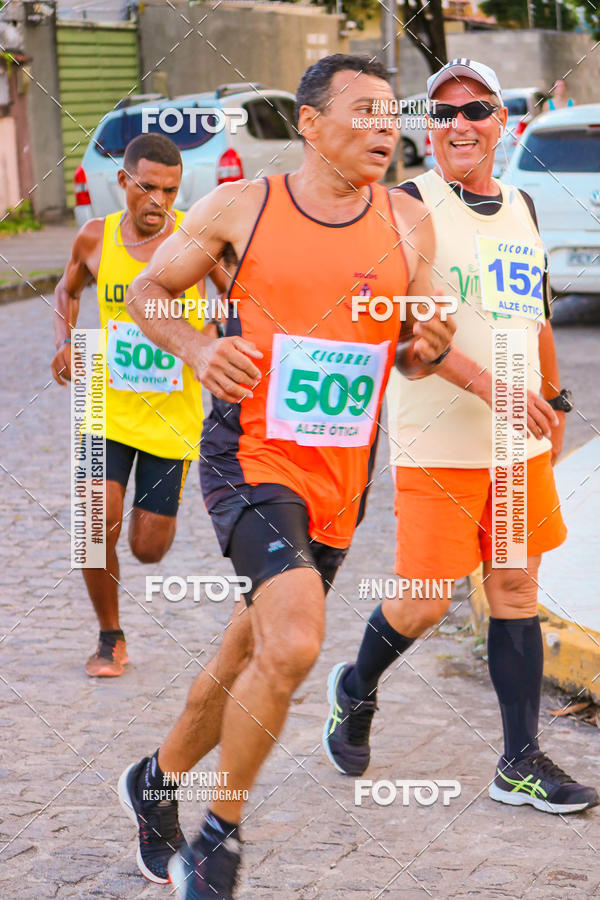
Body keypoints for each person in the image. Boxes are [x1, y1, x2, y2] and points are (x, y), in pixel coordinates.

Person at [117, 54, 455, 896]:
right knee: (298, 639)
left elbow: (415, 352)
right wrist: (198, 347)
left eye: (393, 115)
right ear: (310, 123)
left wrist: (427, 345)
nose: (387, 130)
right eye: (367, 112)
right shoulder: (242, 206)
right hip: (250, 459)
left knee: (251, 647)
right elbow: (150, 294)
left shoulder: (410, 222)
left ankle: (154, 780)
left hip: (340, 480)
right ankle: (218, 843)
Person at [324, 58, 598, 816]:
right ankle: (356, 686)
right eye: (444, 114)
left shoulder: (525, 207)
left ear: (499, 122)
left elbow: (535, 319)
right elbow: (400, 335)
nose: (462, 125)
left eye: (476, 110)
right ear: (428, 128)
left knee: (515, 590)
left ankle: (519, 761)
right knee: (421, 600)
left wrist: (555, 402)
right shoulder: (406, 207)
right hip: (438, 441)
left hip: (515, 449)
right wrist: (491, 387)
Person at [51, 133, 213, 677]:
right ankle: (109, 636)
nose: (158, 202)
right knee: (94, 521)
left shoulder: (196, 235)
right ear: (122, 182)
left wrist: (213, 332)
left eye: (169, 190)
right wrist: (65, 340)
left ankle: (150, 528)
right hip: (103, 402)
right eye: (147, 188)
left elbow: (238, 292)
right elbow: (67, 290)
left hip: (172, 411)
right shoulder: (94, 239)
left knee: (148, 548)